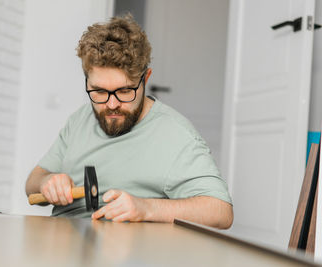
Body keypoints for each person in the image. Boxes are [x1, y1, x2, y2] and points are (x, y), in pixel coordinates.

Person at [25, 14, 233, 229]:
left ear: (146, 78)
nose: (112, 104)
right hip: (61, 243)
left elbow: (220, 211)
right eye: (99, 91)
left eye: (125, 91)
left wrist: (146, 208)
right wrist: (46, 183)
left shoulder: (176, 134)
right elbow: (32, 183)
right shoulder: (79, 119)